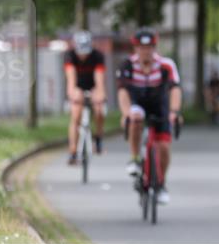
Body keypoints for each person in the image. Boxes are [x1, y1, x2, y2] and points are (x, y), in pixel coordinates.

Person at [116, 28, 182, 204]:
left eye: (149, 47)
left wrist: (174, 112)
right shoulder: (127, 65)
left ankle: (161, 183)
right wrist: (126, 113)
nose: (146, 51)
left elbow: (175, 89)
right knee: (135, 117)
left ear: (155, 47)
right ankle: (135, 158)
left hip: (159, 103)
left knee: (164, 146)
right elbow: (123, 92)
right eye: (142, 48)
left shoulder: (166, 65)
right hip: (137, 101)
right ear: (135, 48)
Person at [64, 30, 106, 165]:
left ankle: (98, 138)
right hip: (78, 86)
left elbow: (99, 79)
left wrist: (100, 92)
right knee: (76, 115)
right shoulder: (70, 56)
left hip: (93, 86)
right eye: (80, 52)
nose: (83, 55)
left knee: (99, 111)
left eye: (85, 52)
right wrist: (73, 92)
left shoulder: (98, 56)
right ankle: (73, 151)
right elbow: (71, 78)